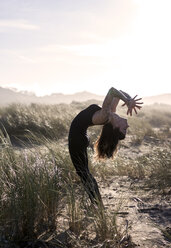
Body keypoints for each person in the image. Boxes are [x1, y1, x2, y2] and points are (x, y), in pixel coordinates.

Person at [68, 87, 143, 206]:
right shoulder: (111, 113)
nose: (127, 126)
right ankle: (98, 204)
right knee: (84, 173)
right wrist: (128, 99)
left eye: (124, 129)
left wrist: (127, 100)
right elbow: (118, 93)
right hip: (80, 137)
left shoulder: (105, 115)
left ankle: (98, 205)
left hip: (76, 139)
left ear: (115, 127)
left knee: (84, 173)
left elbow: (112, 91)